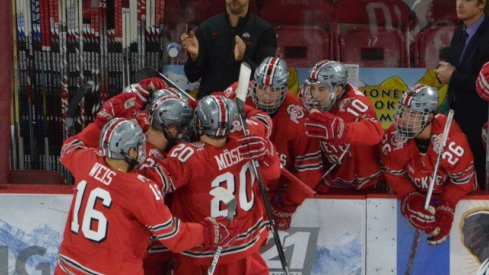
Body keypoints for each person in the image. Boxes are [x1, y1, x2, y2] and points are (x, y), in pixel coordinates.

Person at [55, 117, 237, 274]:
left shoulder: (86, 161)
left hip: (67, 268)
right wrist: (207, 232)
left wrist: (101, 121)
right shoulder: (140, 189)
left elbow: (69, 147)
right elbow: (174, 237)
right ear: (131, 151)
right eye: (139, 146)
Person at [156, 95, 281, 274]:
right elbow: (273, 171)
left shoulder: (188, 156)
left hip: (203, 253)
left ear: (199, 124)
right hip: (246, 250)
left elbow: (151, 186)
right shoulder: (247, 141)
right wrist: (269, 152)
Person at [380, 84, 477, 245]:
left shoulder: (451, 141)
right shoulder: (393, 139)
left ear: (430, 116)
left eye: (413, 114)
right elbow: (394, 177)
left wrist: (448, 207)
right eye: (403, 112)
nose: (404, 119)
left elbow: (462, 183)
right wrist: (410, 199)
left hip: (460, 201)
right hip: (419, 193)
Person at [247, 56, 323, 230]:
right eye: (262, 88)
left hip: (274, 193)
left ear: (283, 90)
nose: (266, 96)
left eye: (273, 90)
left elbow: (310, 171)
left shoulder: (297, 116)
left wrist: (286, 203)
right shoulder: (238, 96)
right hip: (239, 188)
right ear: (254, 85)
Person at [300, 60, 384, 192]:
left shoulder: (356, 104)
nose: (314, 95)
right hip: (329, 183)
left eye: (321, 89)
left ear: (338, 90)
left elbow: (376, 132)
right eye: (312, 88)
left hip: (366, 186)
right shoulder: (307, 99)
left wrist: (342, 130)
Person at [435, 0, 489, 186]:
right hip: (457, 116)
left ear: (482, 4)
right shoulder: (459, 33)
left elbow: (484, 84)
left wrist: (453, 76)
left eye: (467, 0)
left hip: (480, 119)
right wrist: (442, 72)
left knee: (478, 175)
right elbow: (452, 66)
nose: (459, 4)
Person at [180, 0, 277, 99]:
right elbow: (191, 76)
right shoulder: (207, 27)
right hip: (209, 106)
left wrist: (243, 59)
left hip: (246, 109)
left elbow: (267, 81)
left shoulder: (264, 30)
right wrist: (194, 58)